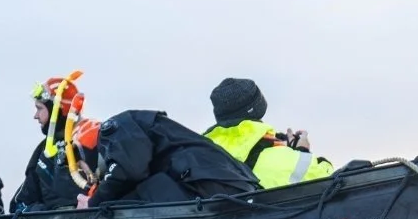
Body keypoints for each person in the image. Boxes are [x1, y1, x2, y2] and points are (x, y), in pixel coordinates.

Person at [89, 109, 258, 205]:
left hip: (207, 185)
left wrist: (91, 205)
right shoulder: (149, 131)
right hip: (234, 186)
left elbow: (129, 170)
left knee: (146, 190)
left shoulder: (113, 128)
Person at [203, 78, 333, 189]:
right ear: (258, 109)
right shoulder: (280, 160)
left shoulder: (201, 154)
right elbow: (327, 180)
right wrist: (302, 151)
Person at [8, 73, 98, 213]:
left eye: (39, 108)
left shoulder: (95, 138)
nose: (35, 116)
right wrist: (50, 213)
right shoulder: (43, 151)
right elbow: (19, 205)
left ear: (57, 109)